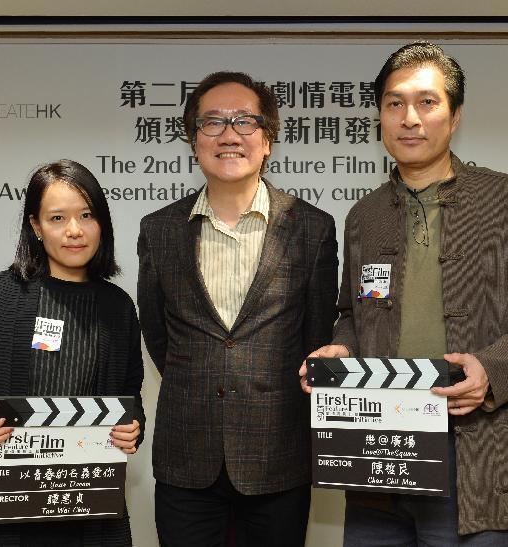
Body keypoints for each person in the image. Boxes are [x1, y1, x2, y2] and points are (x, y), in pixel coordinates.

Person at [300, 42, 508, 545]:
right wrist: (343, 349)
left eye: (427, 102)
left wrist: (492, 370)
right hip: (379, 450)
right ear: (380, 117)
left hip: (477, 453)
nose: (409, 118)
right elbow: (353, 311)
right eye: (394, 103)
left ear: (454, 117)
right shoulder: (364, 216)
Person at [137, 71, 338, 546]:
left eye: (245, 122)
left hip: (278, 456)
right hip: (187, 454)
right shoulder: (159, 230)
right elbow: (158, 336)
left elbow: (316, 338)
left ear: (269, 139)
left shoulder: (313, 228)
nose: (229, 134)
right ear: (193, 141)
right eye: (212, 123)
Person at [0, 159, 145, 547]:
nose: (74, 231)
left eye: (86, 215)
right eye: (57, 218)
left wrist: (132, 426)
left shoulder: (118, 306)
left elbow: (129, 394)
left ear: (102, 221)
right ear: (35, 226)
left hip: (85, 506)